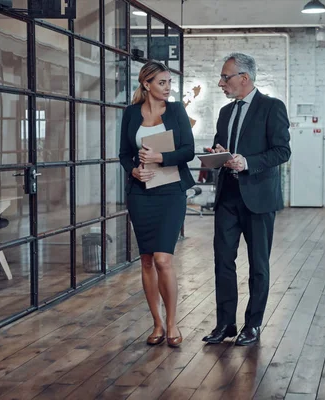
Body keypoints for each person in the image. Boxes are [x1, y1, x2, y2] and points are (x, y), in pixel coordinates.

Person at [202, 53, 291, 346]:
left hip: (259, 198)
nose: (220, 83)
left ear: (244, 78)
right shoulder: (226, 112)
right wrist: (218, 152)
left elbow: (282, 151)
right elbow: (223, 146)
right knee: (223, 261)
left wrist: (247, 162)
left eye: (225, 77)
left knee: (258, 265)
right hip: (227, 196)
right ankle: (225, 323)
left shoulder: (272, 107)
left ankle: (253, 325)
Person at [119, 60, 195, 346]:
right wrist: (134, 170)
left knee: (163, 259)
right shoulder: (130, 114)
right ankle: (157, 324)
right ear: (146, 84)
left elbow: (188, 151)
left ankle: (173, 322)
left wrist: (159, 158)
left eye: (169, 83)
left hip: (171, 191)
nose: (167, 88)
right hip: (141, 193)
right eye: (162, 82)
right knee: (147, 260)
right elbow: (124, 153)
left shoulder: (176, 110)